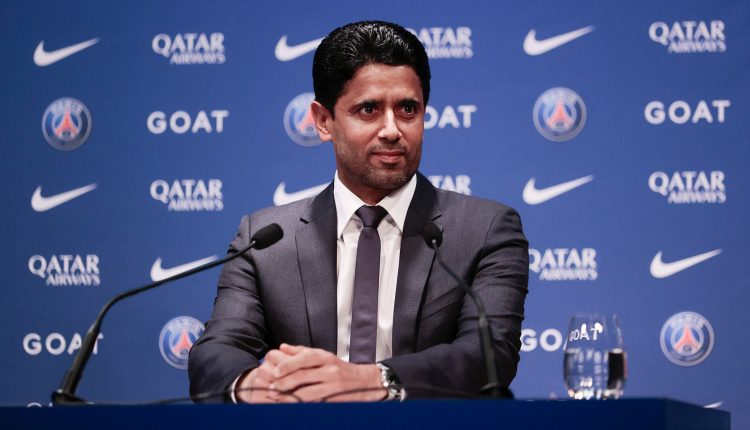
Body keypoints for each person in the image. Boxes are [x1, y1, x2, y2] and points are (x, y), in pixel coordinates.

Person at [188, 20, 528, 403]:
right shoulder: (266, 239)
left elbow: (489, 354)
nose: (392, 130)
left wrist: (372, 380)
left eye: (408, 109)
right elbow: (217, 351)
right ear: (323, 121)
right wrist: (255, 385)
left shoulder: (485, 229)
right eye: (369, 109)